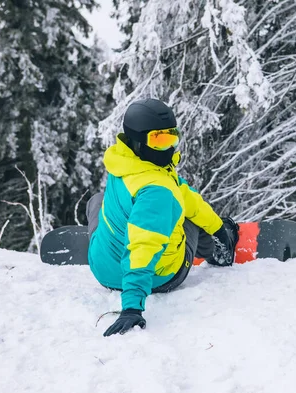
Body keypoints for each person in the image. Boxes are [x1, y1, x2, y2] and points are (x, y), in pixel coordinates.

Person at [86, 98, 239, 337]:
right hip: (160, 278)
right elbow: (143, 246)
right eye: (158, 140)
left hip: (103, 270)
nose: (169, 148)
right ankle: (217, 252)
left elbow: (183, 193)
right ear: (138, 141)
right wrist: (132, 307)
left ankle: (109, 239)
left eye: (171, 138)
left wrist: (219, 226)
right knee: (185, 215)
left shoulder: (122, 160)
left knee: (98, 201)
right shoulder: (158, 191)